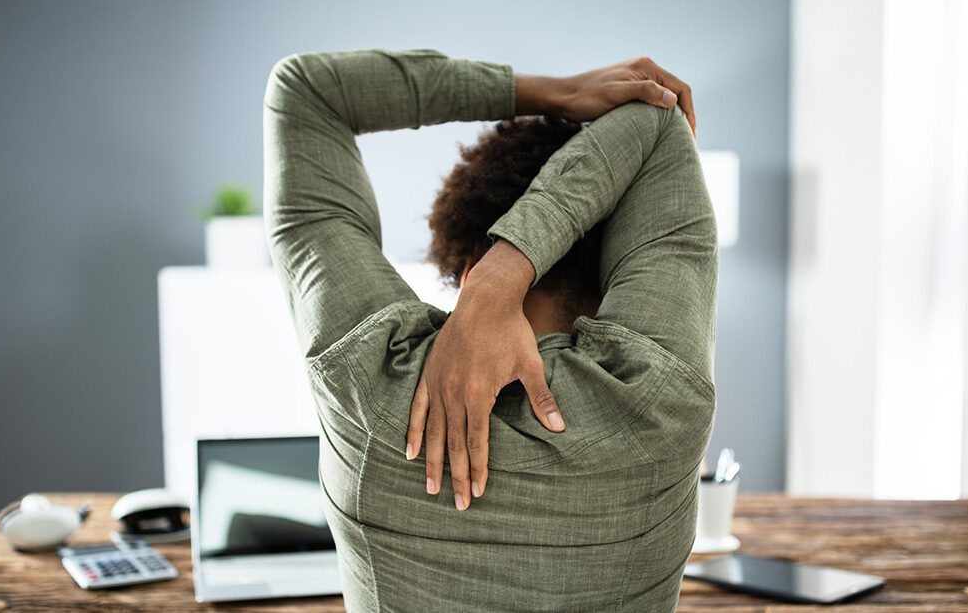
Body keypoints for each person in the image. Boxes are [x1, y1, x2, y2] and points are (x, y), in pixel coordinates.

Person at [263, 47, 718, 612]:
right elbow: (657, 115)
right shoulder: (656, 396)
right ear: (619, 261)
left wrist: (551, 90)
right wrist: (511, 267)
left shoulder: (367, 376)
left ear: (466, 261)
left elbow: (308, 90)